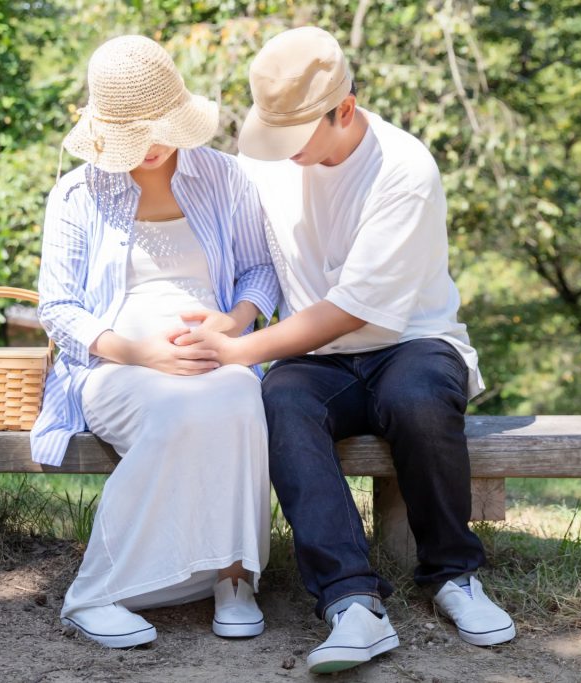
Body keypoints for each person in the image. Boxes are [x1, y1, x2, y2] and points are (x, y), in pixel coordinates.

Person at [176, 26, 515, 674]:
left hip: (410, 338)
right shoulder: (264, 161)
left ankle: (453, 574)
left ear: (346, 111)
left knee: (417, 401)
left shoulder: (404, 169)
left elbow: (354, 309)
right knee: (281, 402)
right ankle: (351, 600)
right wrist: (237, 316)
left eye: (299, 137)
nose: (286, 153)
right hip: (315, 356)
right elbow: (262, 262)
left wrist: (239, 350)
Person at [31, 35, 279, 648]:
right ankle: (98, 592)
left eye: (160, 130)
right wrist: (144, 353)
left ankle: (232, 574)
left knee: (242, 398)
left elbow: (260, 270)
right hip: (115, 363)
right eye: (132, 137)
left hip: (215, 351)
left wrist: (233, 322)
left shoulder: (224, 177)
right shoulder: (77, 195)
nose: (148, 148)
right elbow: (58, 309)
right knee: (175, 408)